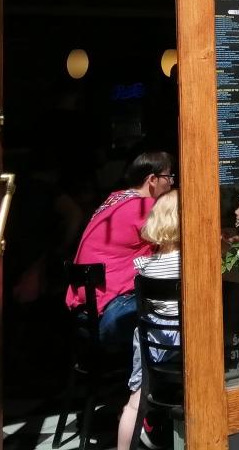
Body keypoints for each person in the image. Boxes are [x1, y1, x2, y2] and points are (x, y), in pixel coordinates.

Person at [66, 151, 174, 355]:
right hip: (111, 312)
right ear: (152, 179)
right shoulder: (144, 206)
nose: (171, 184)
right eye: (168, 177)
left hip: (85, 312)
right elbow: (180, 238)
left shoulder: (115, 200)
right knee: (182, 303)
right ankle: (162, 369)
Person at [117, 190, 181, 450]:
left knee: (134, 402)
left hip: (152, 342)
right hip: (184, 344)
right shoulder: (189, 263)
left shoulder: (146, 266)